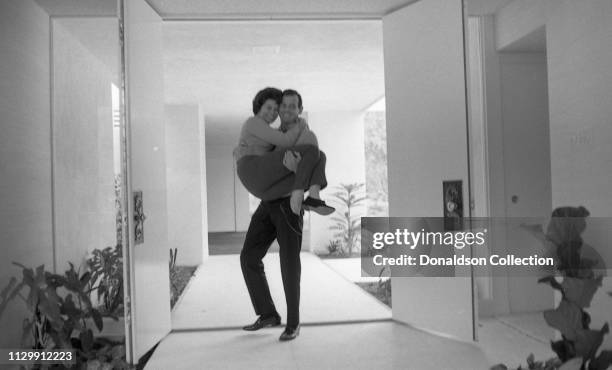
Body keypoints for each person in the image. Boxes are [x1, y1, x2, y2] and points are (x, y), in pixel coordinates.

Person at [238, 88, 323, 341]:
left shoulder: (306, 133)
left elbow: (315, 159)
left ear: (299, 110)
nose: (284, 110)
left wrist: (304, 185)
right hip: (268, 203)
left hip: (289, 205)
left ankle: (293, 323)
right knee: (249, 256)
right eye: (281, 106)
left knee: (288, 263)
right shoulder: (275, 137)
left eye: (291, 106)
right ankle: (268, 314)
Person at [233, 87, 334, 215]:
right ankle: (303, 193)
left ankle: (313, 198)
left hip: (268, 190)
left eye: (275, 109)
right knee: (312, 149)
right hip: (253, 172)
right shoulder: (253, 122)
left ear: (300, 110)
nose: (272, 112)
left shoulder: (272, 133)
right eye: (268, 107)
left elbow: (282, 145)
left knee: (320, 156)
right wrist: (301, 124)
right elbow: (286, 141)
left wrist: (298, 169)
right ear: (259, 106)